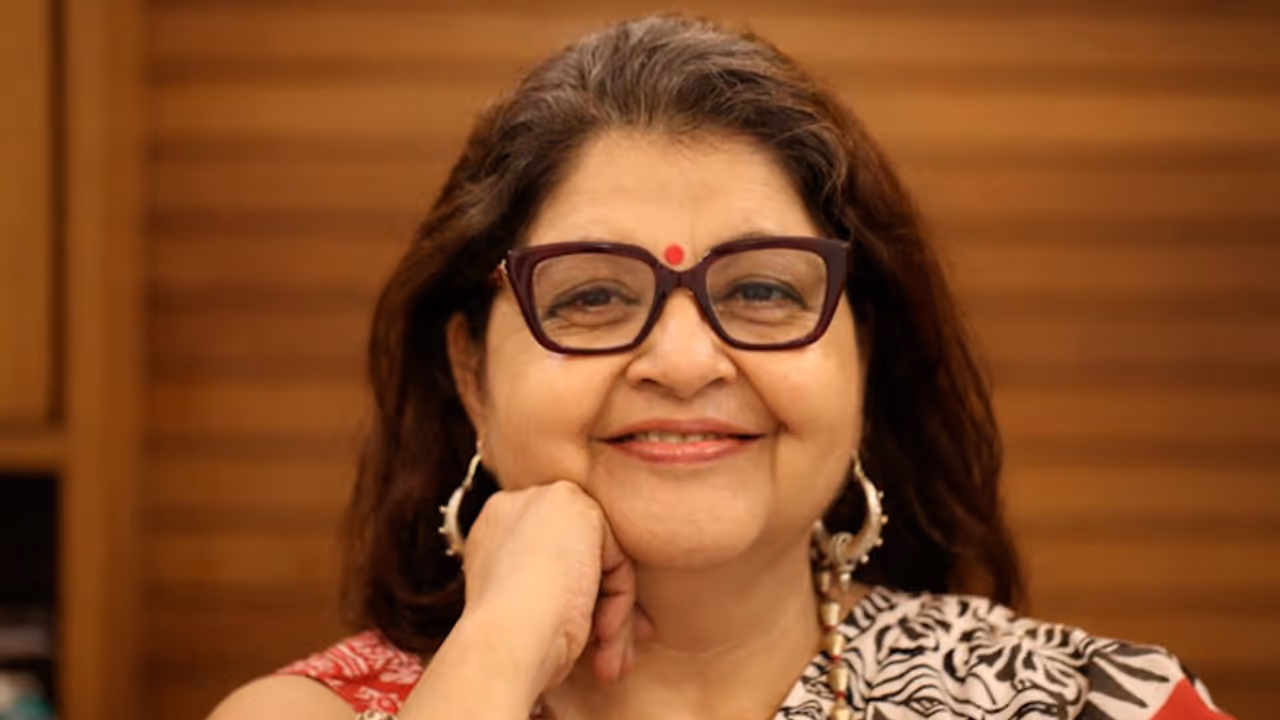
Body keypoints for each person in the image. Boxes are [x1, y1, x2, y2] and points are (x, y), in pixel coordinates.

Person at [208, 14, 1234, 720]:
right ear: (473, 373)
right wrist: (498, 653)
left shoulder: (1095, 704)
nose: (685, 359)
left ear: (861, 351)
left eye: (763, 290)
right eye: (593, 296)